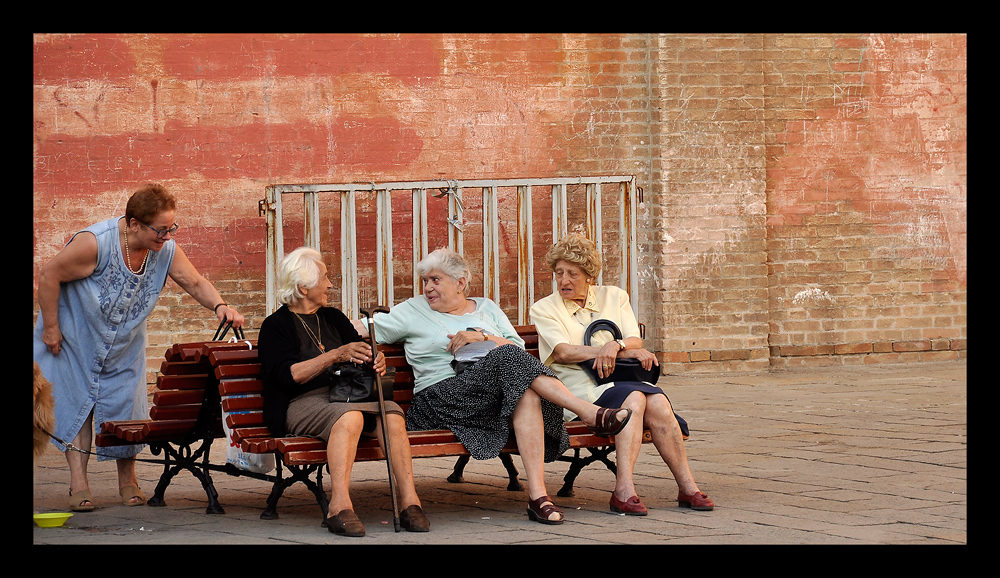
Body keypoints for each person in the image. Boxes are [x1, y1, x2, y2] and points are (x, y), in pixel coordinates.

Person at [355, 247, 631, 525]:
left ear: (460, 282)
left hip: (492, 397)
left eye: (436, 280)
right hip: (442, 398)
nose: (428, 288)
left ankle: (538, 498)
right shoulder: (412, 311)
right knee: (514, 371)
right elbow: (359, 328)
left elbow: (520, 351)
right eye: (425, 281)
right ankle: (588, 412)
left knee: (525, 393)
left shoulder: (487, 308)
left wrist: (481, 336)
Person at [33, 183, 246, 512]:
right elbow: (48, 275)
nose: (167, 236)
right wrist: (50, 328)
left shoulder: (166, 251)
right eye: (161, 230)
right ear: (134, 224)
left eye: (171, 228)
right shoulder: (95, 244)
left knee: (126, 407)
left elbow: (195, 282)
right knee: (77, 406)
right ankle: (79, 484)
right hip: (76, 337)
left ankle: (128, 481)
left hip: (125, 342)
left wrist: (221, 306)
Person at [530, 233, 714, 515]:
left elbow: (633, 340)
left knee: (658, 401)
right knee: (637, 399)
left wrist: (616, 346)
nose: (564, 281)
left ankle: (687, 486)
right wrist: (610, 350)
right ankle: (624, 489)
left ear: (589, 275)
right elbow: (564, 352)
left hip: (620, 382)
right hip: (578, 389)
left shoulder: (614, 297)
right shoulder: (545, 308)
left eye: (572, 274)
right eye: (559, 273)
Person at [257, 247, 428, 537]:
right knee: (350, 418)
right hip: (301, 402)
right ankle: (339, 505)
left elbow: (359, 354)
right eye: (324, 278)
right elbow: (290, 376)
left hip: (348, 395)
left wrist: (375, 360)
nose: (330, 284)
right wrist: (335, 355)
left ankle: (410, 503)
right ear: (303, 287)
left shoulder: (334, 318)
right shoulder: (275, 326)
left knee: (393, 414)